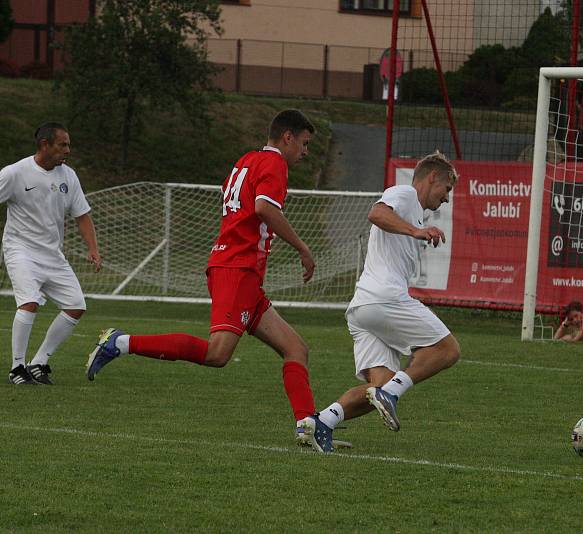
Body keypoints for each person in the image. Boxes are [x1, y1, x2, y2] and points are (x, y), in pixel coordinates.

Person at [86, 109, 321, 443]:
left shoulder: (246, 160)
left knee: (296, 347)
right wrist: (303, 248)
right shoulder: (275, 163)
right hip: (236, 270)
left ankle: (308, 427)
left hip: (242, 272)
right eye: (304, 143)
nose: (305, 151)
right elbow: (265, 208)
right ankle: (119, 342)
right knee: (218, 354)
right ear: (288, 137)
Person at [300, 150, 461, 453]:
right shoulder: (404, 194)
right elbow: (375, 213)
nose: (447, 198)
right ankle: (393, 393)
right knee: (448, 349)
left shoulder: (415, 213)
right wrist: (416, 230)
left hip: (364, 308)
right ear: (432, 177)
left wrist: (416, 229)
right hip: (383, 299)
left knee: (378, 387)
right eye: (447, 189)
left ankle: (319, 424)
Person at [1, 122, 102, 385]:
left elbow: (82, 214)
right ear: (44, 145)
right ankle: (17, 368)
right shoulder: (15, 173)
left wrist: (93, 249)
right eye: (63, 144)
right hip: (20, 250)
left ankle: (39, 362)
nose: (67, 150)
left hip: (52, 254)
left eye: (68, 144)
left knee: (76, 305)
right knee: (29, 302)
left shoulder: (68, 175)